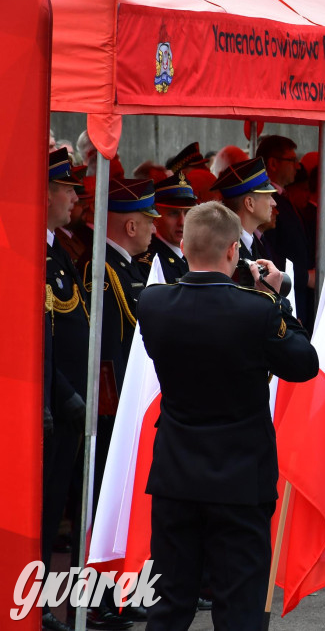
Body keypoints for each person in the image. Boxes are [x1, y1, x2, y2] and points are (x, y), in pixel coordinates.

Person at [139, 202, 319, 630]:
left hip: (176, 473)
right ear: (234, 252)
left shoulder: (153, 302)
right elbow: (304, 364)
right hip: (240, 477)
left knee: (168, 604)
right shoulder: (257, 310)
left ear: (182, 246)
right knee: (239, 606)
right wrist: (278, 300)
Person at [78, 176, 159, 629]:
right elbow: (107, 349)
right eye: (147, 220)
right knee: (103, 503)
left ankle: (119, 590)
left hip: (128, 405)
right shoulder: (104, 271)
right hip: (112, 408)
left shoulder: (125, 268)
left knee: (122, 500)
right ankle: (97, 597)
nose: (154, 227)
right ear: (130, 226)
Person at [43, 149, 89, 631]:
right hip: (50, 406)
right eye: (67, 188)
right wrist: (58, 394)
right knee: (38, 511)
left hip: (71, 405)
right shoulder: (29, 250)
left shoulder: (58, 250)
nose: (75, 197)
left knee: (57, 505)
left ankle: (41, 600)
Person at [257, 135, 312, 324]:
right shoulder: (268, 203)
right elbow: (271, 250)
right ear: (273, 163)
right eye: (292, 160)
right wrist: (304, 276)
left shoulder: (282, 197)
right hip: (283, 292)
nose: (298, 166)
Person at [210, 157, 277, 288]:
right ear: (249, 203)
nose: (274, 203)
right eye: (268, 196)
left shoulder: (255, 243)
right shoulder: (226, 250)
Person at [137, 173, 198, 283]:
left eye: (188, 213)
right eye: (174, 213)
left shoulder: (197, 254)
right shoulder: (149, 263)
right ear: (155, 217)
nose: (182, 222)